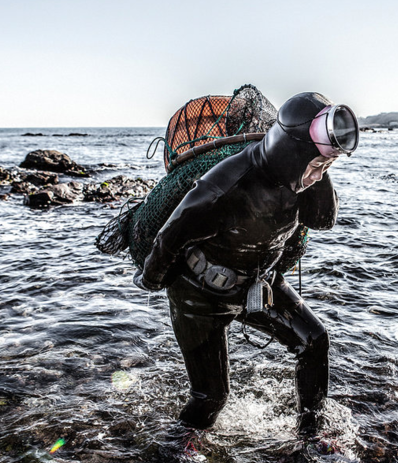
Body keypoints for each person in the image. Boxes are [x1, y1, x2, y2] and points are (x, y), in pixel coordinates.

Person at [135, 92, 359, 436]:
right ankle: (177, 447)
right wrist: (151, 279)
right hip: (199, 295)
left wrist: (320, 164)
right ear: (289, 152)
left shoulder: (301, 177)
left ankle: (312, 434)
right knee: (211, 397)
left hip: (258, 283)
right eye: (314, 168)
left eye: (324, 169)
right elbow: (169, 239)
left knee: (314, 342)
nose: (315, 177)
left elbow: (324, 219)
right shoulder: (225, 186)